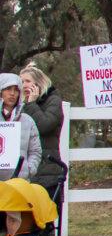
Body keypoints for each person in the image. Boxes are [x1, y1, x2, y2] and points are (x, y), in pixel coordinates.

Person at [20, 64, 65, 202]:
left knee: (45, 219)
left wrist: (31, 104)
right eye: (21, 82)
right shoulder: (22, 104)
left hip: (47, 171)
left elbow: (44, 126)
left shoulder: (54, 101)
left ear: (38, 83)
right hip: (26, 171)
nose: (24, 85)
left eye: (27, 81)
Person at [0, 73, 41, 181]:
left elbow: (35, 151)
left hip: (20, 183)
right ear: (1, 92)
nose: (12, 93)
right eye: (8, 89)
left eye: (16, 90)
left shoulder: (27, 121)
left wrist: (28, 170)